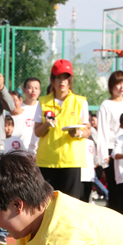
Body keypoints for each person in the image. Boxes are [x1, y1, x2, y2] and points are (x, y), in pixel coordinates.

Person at [35, 60, 92, 200]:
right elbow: (37, 131)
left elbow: (87, 130)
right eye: (58, 77)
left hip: (71, 161)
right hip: (47, 160)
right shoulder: (42, 102)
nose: (62, 81)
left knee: (70, 204)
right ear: (52, 79)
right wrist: (47, 125)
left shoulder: (80, 102)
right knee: (46, 204)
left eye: (66, 77)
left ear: (70, 80)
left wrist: (78, 133)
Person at [96, 70, 123, 196]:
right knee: (115, 189)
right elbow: (102, 132)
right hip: (112, 150)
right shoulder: (106, 105)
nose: (122, 87)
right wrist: (103, 157)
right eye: (119, 84)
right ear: (111, 85)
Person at [9, 78, 42, 153]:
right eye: (30, 88)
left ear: (39, 91)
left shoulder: (43, 107)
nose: (33, 91)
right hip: (20, 152)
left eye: (36, 88)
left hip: (39, 152)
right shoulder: (17, 109)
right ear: (24, 90)